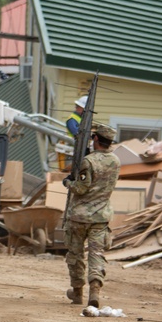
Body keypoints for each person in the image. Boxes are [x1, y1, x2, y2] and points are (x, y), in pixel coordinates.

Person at [64, 124, 120, 308]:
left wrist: (68, 183)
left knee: (76, 254)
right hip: (101, 216)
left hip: (80, 216)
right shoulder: (115, 161)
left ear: (95, 139)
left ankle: (77, 292)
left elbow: (81, 188)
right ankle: (94, 290)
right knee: (96, 254)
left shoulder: (88, 162)